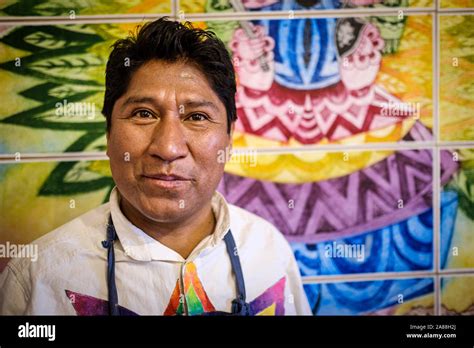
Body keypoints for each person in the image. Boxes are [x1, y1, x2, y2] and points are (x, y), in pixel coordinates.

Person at [0, 17, 311, 316]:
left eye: (197, 117)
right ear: (108, 133)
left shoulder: (268, 252)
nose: (168, 148)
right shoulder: (39, 276)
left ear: (228, 139)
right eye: (143, 114)